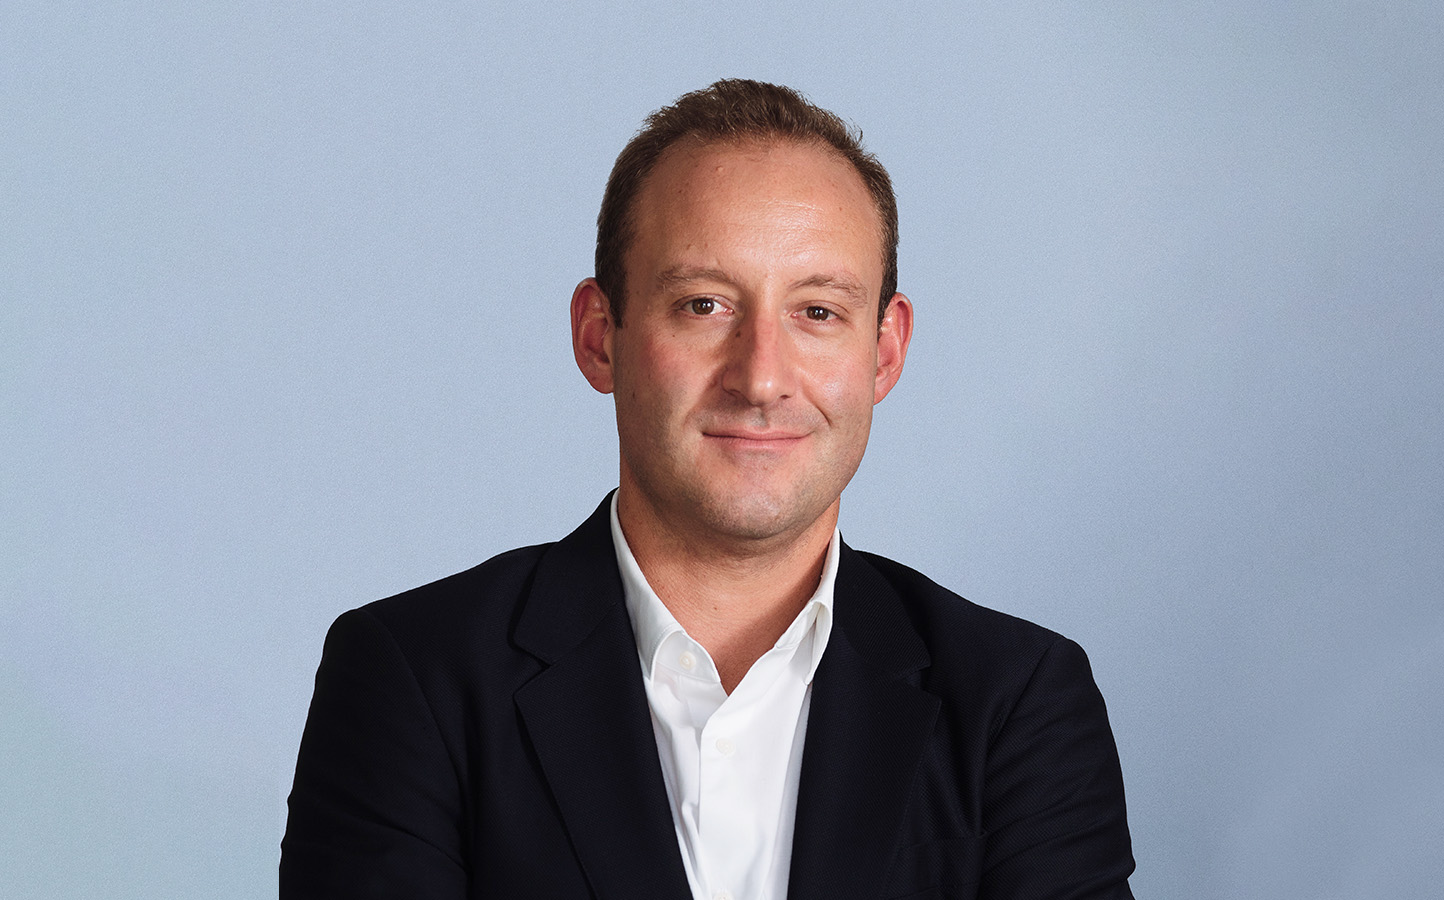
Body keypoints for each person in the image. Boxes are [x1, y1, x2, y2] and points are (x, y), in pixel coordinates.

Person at [281, 79, 1135, 900]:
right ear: (599, 337)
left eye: (818, 312)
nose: (761, 378)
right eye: (703, 305)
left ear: (884, 353)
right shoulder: (413, 681)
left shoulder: (1017, 704)